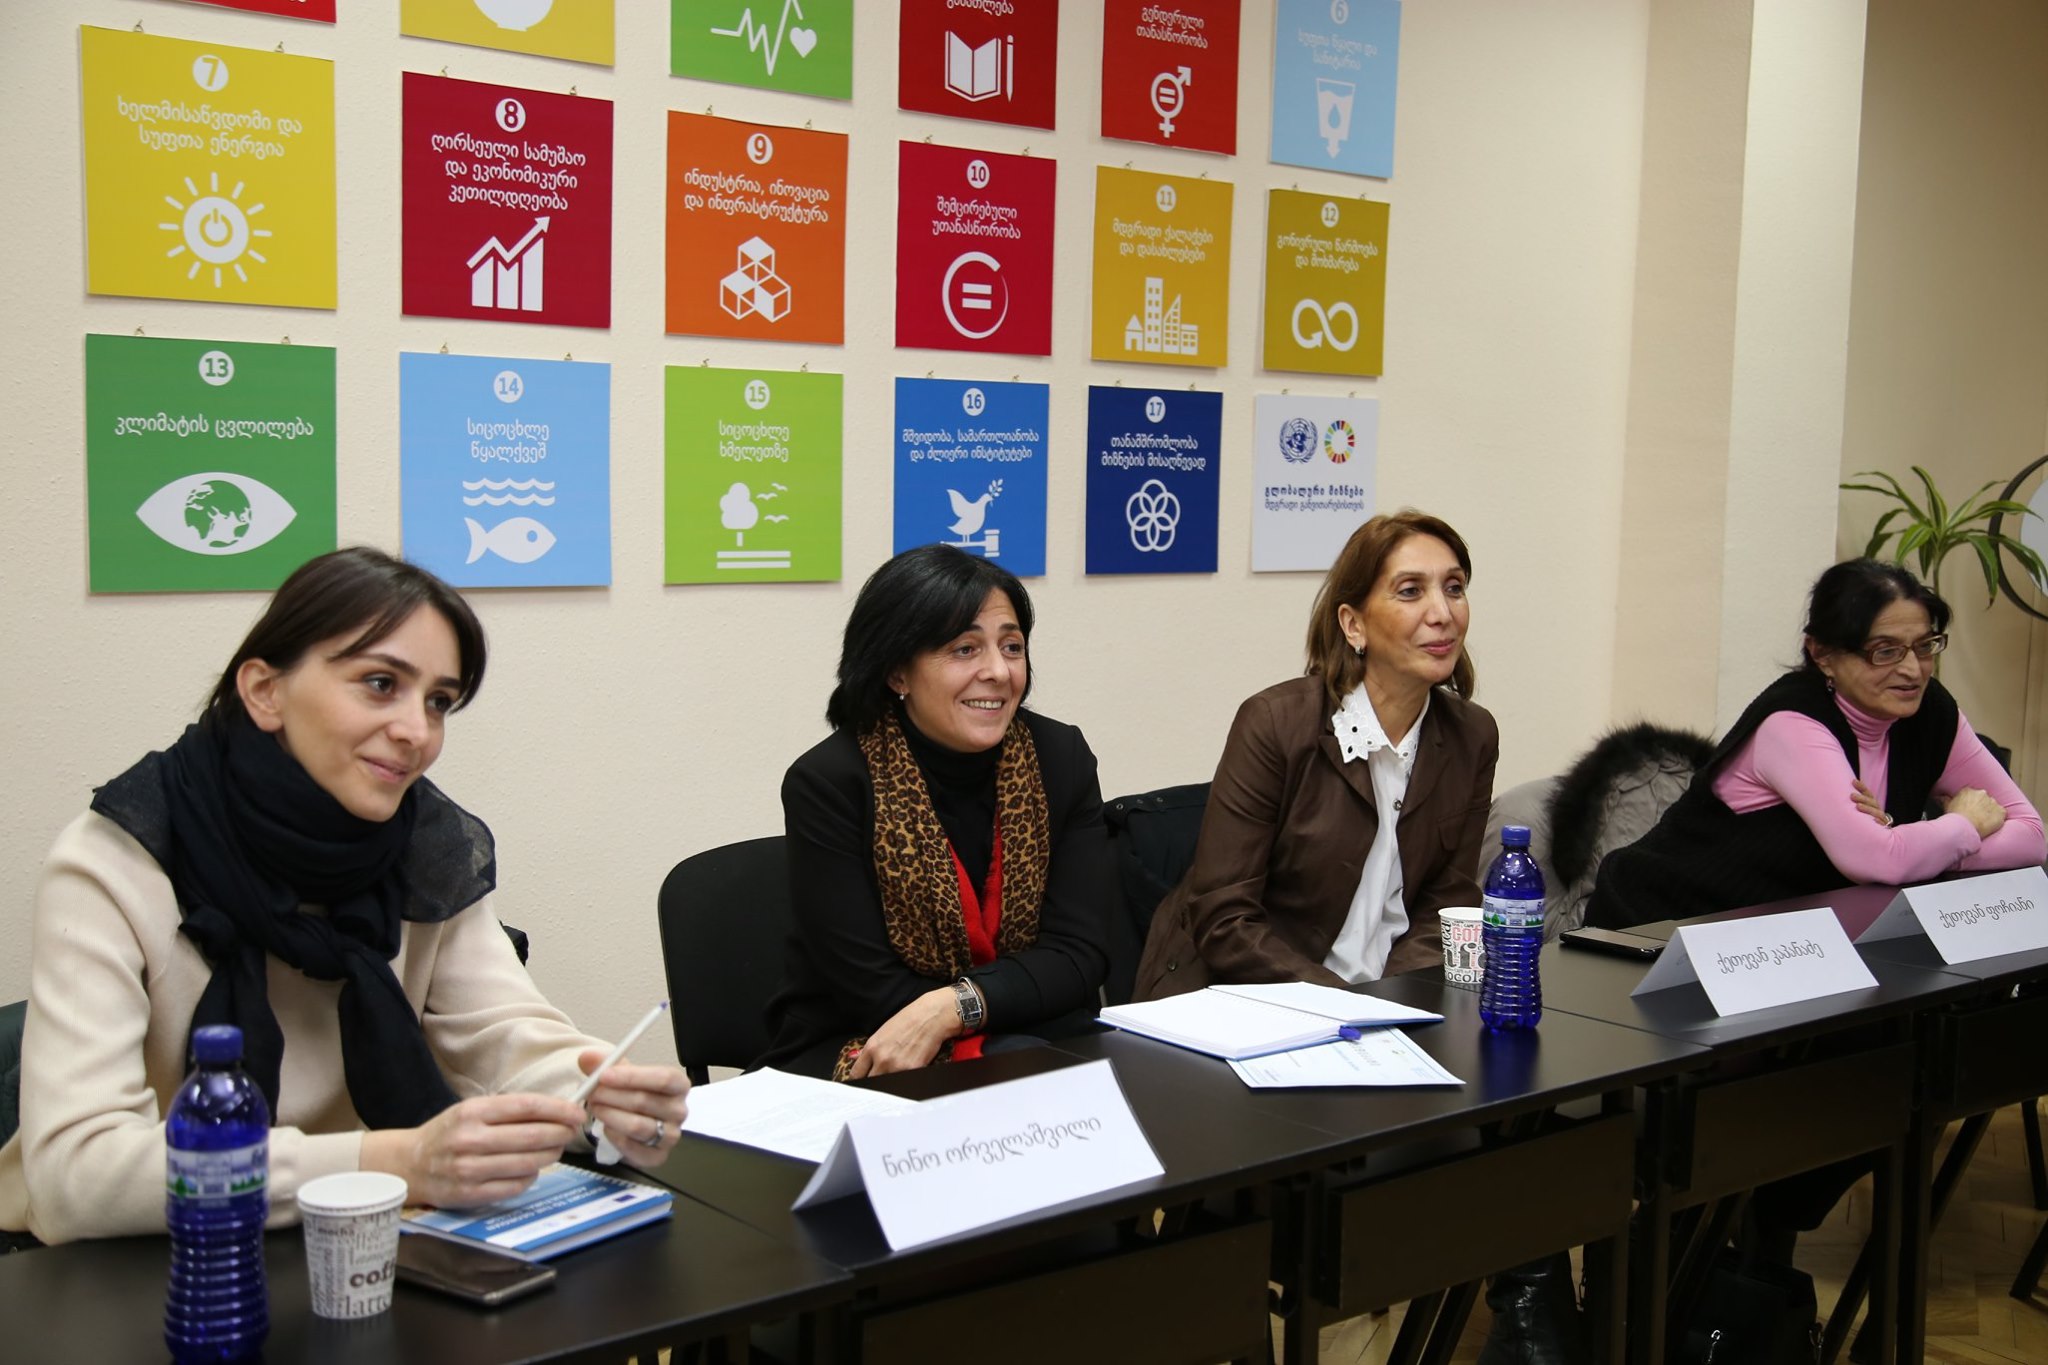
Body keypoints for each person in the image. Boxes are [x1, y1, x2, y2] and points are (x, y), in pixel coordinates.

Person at [0, 548, 690, 1246]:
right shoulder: (114, 861)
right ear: (265, 691)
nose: (417, 733)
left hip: (353, 1241)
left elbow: (504, 1034)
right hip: (147, 1264)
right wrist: (391, 1163)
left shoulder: (423, 843)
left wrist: (598, 1097)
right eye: (381, 683)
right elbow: (75, 1177)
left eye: (439, 701)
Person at [760, 545, 1112, 1081]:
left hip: (1034, 1028)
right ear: (897, 672)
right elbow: (871, 988)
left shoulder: (1060, 758)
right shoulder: (831, 782)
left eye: (1012, 647)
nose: (998, 671)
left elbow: (1080, 953)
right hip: (866, 1037)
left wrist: (957, 1005)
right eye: (965, 649)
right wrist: (997, 1003)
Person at [1132, 509, 1499, 1000]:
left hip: (1389, 1005)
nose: (1443, 613)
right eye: (1411, 591)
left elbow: (1446, 905)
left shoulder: (1473, 735)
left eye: (1454, 588)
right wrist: (1345, 1004)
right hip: (1248, 997)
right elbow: (1225, 919)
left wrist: (1395, 1002)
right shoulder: (1275, 723)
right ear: (1353, 624)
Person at [1588, 557, 2043, 928]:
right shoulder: (1791, 723)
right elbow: (1879, 861)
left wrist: (1922, 849)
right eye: (1884, 651)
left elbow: (2032, 836)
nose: (1912, 670)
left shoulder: (1930, 712)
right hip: (1659, 925)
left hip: (1783, 940)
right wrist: (1961, 826)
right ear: (1822, 654)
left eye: (1924, 647)